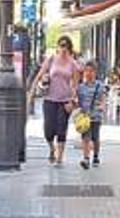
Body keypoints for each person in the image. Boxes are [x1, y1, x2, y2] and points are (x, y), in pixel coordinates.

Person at [30, 35, 81, 165]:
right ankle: (52, 149)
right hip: (49, 99)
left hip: (65, 100)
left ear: (69, 48)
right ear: (58, 47)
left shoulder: (73, 64)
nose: (63, 48)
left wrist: (73, 101)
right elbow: (39, 75)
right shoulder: (51, 60)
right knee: (48, 129)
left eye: (66, 46)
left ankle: (60, 157)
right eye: (61, 45)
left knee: (61, 128)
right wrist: (32, 91)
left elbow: (75, 85)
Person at [75, 60, 107, 169]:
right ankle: (86, 158)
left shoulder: (100, 86)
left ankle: (96, 156)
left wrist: (102, 106)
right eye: (86, 71)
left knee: (95, 138)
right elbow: (78, 101)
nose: (89, 73)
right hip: (85, 117)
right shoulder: (80, 87)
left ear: (95, 72)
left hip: (96, 116)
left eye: (91, 71)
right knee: (85, 138)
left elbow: (103, 99)